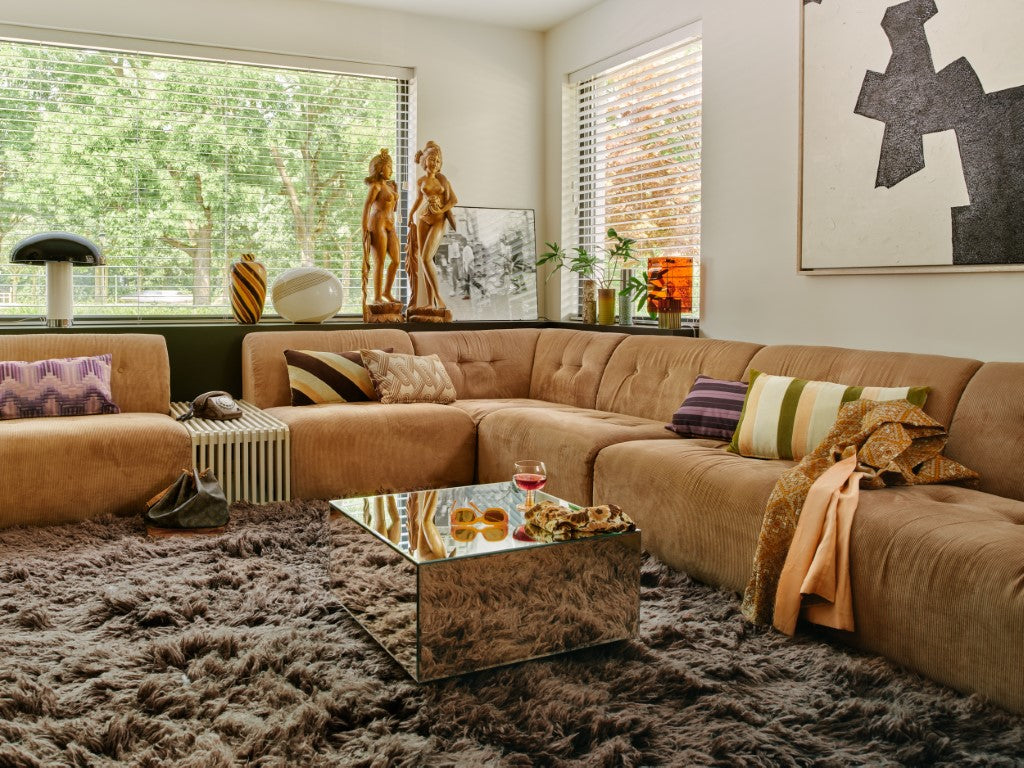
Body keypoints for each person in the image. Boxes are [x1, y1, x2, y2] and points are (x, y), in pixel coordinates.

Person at [406, 141, 457, 310]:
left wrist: (442, 208)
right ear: (425, 160)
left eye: (437, 160)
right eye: (432, 159)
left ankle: (438, 298)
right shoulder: (421, 180)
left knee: (427, 258)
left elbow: (454, 200)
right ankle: (430, 303)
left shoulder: (442, 179)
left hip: (438, 220)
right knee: (424, 260)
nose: (435, 163)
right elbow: (419, 200)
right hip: (423, 218)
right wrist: (411, 214)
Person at [361, 148, 400, 309]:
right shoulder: (375, 186)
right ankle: (377, 297)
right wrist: (364, 228)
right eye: (388, 166)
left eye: (391, 166)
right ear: (379, 168)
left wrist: (395, 191)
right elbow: (367, 206)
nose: (391, 169)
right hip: (377, 224)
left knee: (396, 261)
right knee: (380, 262)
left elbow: (394, 208)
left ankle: (386, 292)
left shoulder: (390, 186)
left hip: (390, 225)